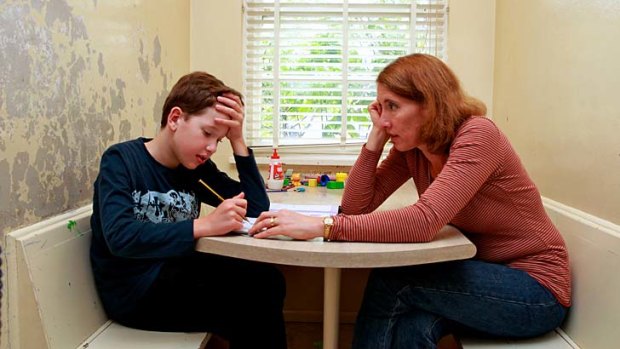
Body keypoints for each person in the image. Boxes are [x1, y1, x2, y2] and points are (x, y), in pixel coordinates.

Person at [248, 54, 570, 348]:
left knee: (395, 278)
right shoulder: (413, 151)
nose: (384, 119)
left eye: (393, 106)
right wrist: (374, 141)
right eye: (380, 108)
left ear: (429, 105)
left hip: (535, 290)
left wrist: (322, 226)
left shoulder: (478, 135)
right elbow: (357, 207)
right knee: (411, 326)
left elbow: (424, 220)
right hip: (482, 280)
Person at [90, 71, 287, 349]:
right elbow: (120, 236)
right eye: (207, 133)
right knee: (252, 299)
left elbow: (255, 206)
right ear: (175, 119)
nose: (210, 148)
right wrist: (205, 226)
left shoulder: (193, 168)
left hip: (177, 272)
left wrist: (238, 141)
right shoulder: (121, 160)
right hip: (136, 290)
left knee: (268, 281)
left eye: (218, 140)